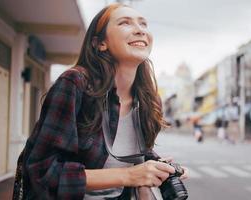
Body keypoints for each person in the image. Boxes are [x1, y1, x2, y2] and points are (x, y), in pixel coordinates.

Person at [13, 3, 188, 199]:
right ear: (100, 43)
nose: (140, 30)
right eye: (125, 23)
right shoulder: (75, 84)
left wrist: (157, 168)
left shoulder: (149, 100)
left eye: (144, 24)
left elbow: (132, 159)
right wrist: (128, 175)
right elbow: (42, 171)